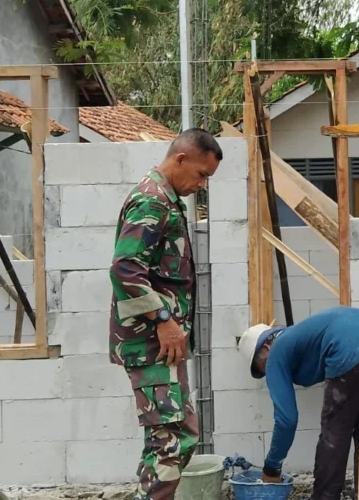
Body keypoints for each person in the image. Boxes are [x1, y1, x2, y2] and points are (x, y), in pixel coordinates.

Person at [108, 128, 223, 500]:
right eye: (202, 174)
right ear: (180, 159)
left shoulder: (166, 199)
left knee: (172, 435)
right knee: (173, 438)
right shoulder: (153, 201)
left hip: (161, 346)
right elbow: (125, 268)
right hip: (151, 342)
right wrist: (164, 322)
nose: (202, 184)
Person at [238, 307, 359, 500]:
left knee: (335, 431)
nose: (268, 372)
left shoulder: (276, 352)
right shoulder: (299, 336)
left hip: (354, 346)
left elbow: (286, 421)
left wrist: (272, 467)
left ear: (266, 347)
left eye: (262, 367)